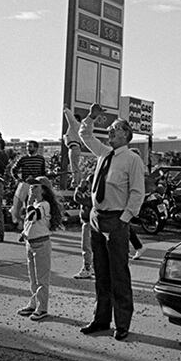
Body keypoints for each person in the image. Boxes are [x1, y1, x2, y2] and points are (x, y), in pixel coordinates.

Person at [75, 104, 145, 341]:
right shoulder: (104, 154)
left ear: (126, 134)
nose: (111, 132)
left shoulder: (132, 159)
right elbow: (84, 135)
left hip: (116, 220)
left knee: (119, 274)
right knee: (101, 273)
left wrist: (123, 220)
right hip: (97, 218)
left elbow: (137, 193)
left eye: (115, 129)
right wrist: (91, 117)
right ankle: (100, 319)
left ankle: (122, 323)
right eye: (111, 130)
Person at [17, 176, 63, 321]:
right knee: (33, 278)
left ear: (43, 189)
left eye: (35, 186)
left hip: (41, 245)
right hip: (31, 244)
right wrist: (24, 233)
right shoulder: (37, 203)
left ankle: (42, 308)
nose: (31, 188)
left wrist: (29, 202)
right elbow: (29, 224)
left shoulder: (44, 205)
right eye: (31, 186)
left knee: (42, 278)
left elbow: (32, 216)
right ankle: (34, 303)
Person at [9, 141, 47, 237]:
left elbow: (43, 172)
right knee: (25, 206)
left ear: (36, 148)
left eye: (30, 146)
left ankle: (34, 227)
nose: (28, 148)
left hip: (37, 185)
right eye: (27, 147)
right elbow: (13, 169)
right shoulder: (23, 159)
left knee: (36, 206)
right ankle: (24, 228)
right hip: (26, 185)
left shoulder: (41, 159)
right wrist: (18, 179)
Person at [72, 173, 94, 279]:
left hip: (89, 222)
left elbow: (78, 198)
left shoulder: (92, 195)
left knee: (86, 246)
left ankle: (87, 268)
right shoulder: (91, 193)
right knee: (92, 246)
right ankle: (93, 266)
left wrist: (80, 188)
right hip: (90, 221)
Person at [63, 109, 84, 188]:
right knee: (75, 165)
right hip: (75, 147)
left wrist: (66, 110)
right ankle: (77, 182)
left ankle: (76, 183)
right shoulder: (79, 128)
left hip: (74, 147)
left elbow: (70, 118)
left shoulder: (75, 124)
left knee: (74, 166)